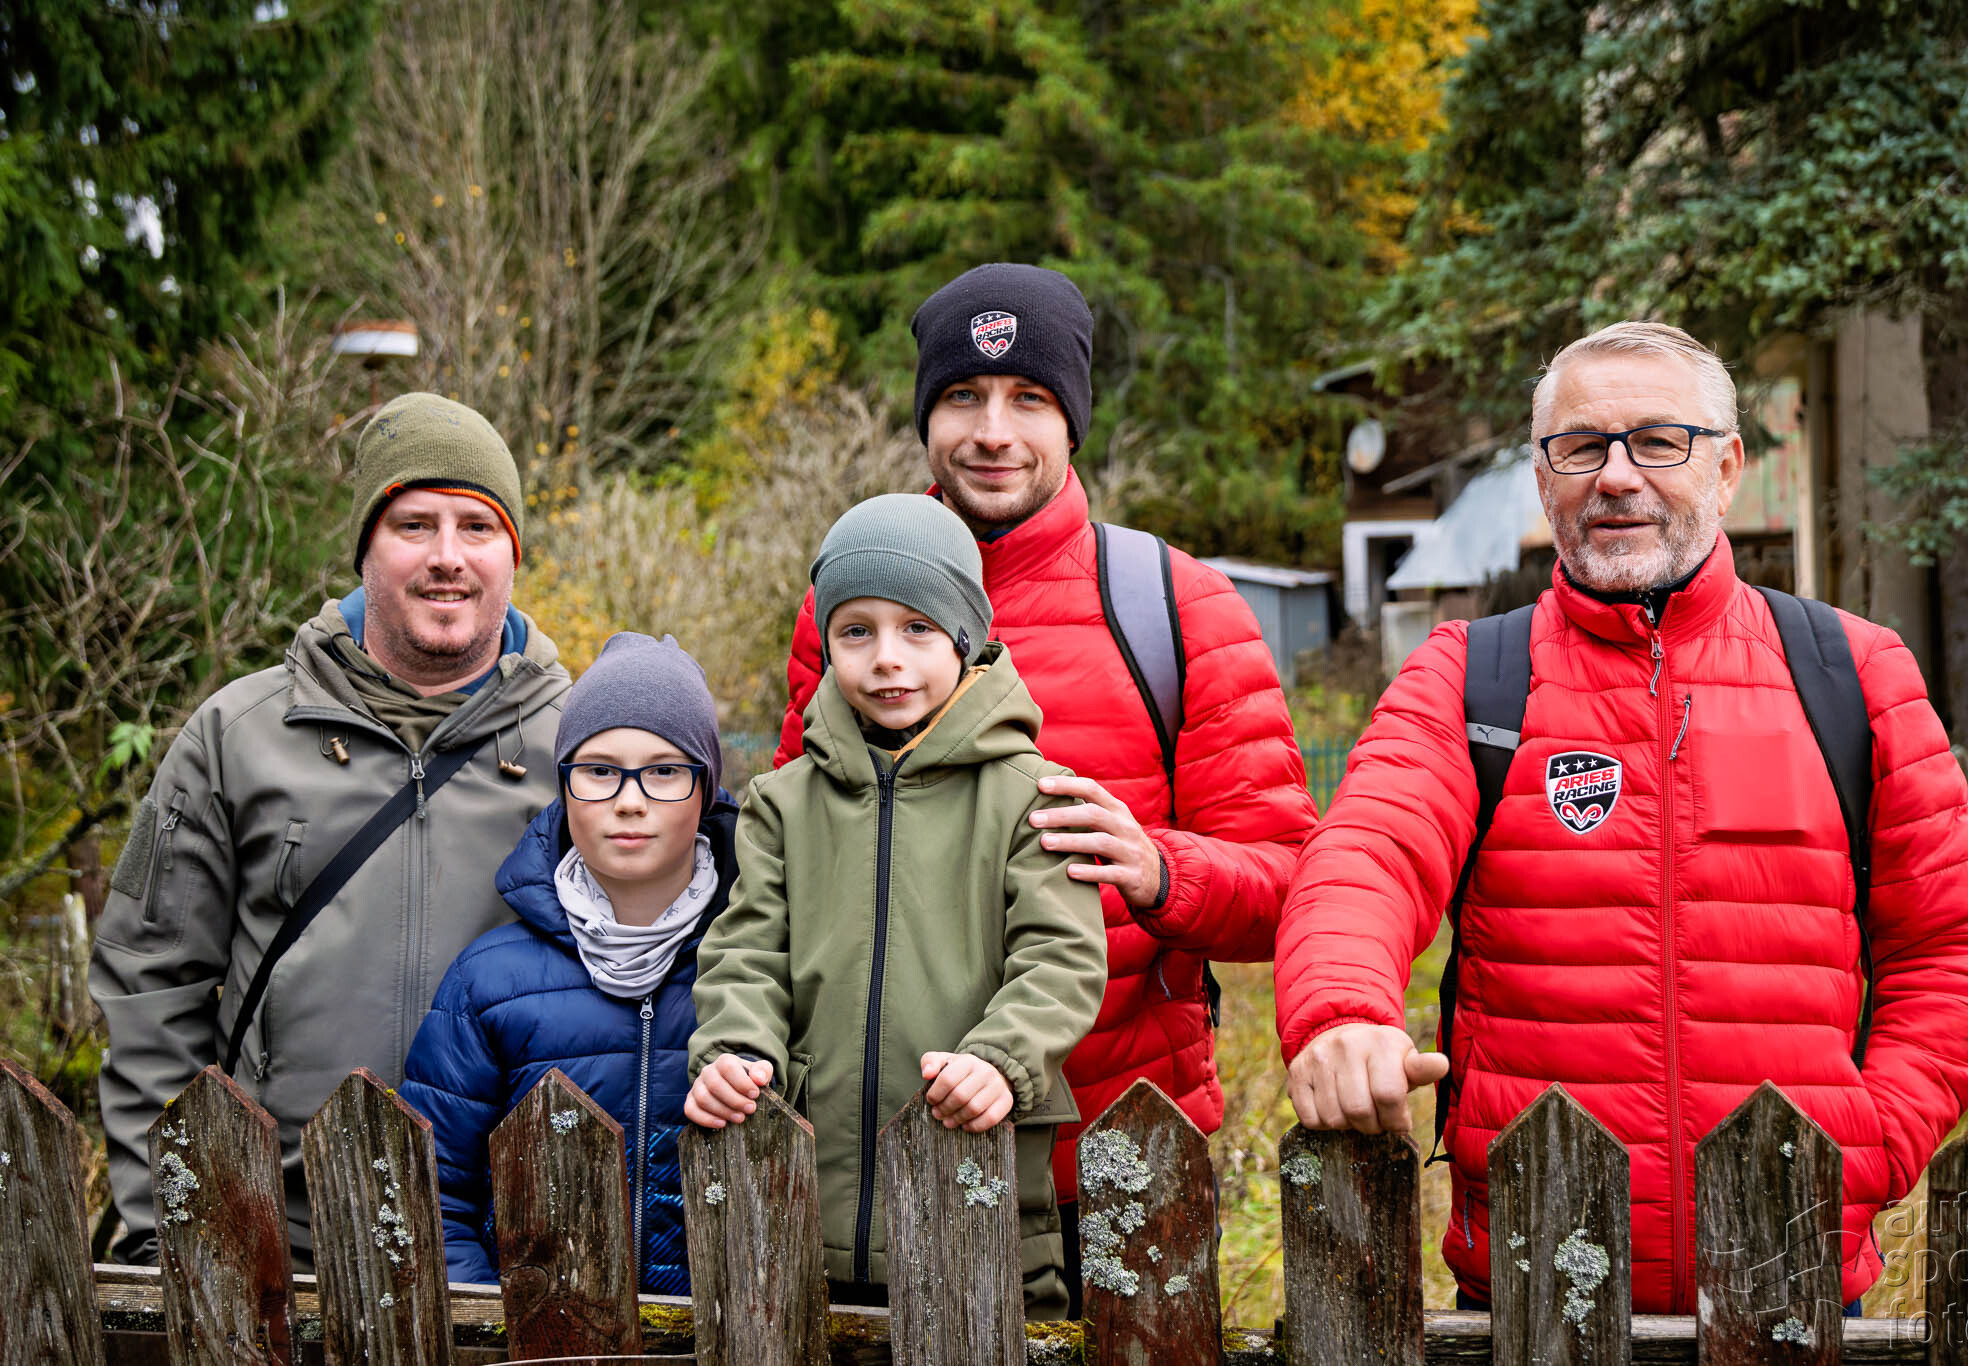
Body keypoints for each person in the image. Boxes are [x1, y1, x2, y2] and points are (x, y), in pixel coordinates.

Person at [1273, 321, 1968, 1314]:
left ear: (1727, 468)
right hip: (1539, 1289)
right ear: (1542, 477)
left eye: (1659, 442)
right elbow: (1365, 855)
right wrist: (1340, 1011)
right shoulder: (1468, 675)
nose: (1616, 476)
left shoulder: (1852, 672)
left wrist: (1870, 1142)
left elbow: (1954, 946)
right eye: (1581, 446)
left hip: (1787, 1281)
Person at [772, 264, 1318, 1305]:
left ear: (1073, 419)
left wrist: (1162, 870)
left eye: (1028, 398)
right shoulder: (842, 610)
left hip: (1112, 1157)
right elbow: (797, 864)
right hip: (884, 1158)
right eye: (961, 397)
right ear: (924, 418)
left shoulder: (1177, 610)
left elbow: (1295, 884)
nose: (993, 432)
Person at [89, 393, 572, 1266]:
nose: (448, 557)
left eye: (478, 527)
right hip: (275, 1247)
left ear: (513, 553)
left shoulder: (587, 753)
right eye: (414, 525)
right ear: (365, 548)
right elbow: (148, 985)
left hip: (505, 1260)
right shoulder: (235, 737)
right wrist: (170, 1221)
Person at [691, 493, 1108, 1318]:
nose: (886, 659)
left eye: (917, 628)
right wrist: (734, 1050)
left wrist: (1002, 1059)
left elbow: (1060, 958)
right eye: (856, 631)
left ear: (964, 637)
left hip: (975, 1202)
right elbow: (746, 953)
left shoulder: (1032, 797)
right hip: (803, 1215)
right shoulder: (783, 803)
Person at [401, 633, 734, 1293]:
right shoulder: (489, 981)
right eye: (600, 770)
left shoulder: (757, 969)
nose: (630, 799)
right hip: (537, 1331)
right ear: (564, 787)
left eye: (665, 771)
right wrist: (491, 1327)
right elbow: (436, 1196)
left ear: (706, 791)